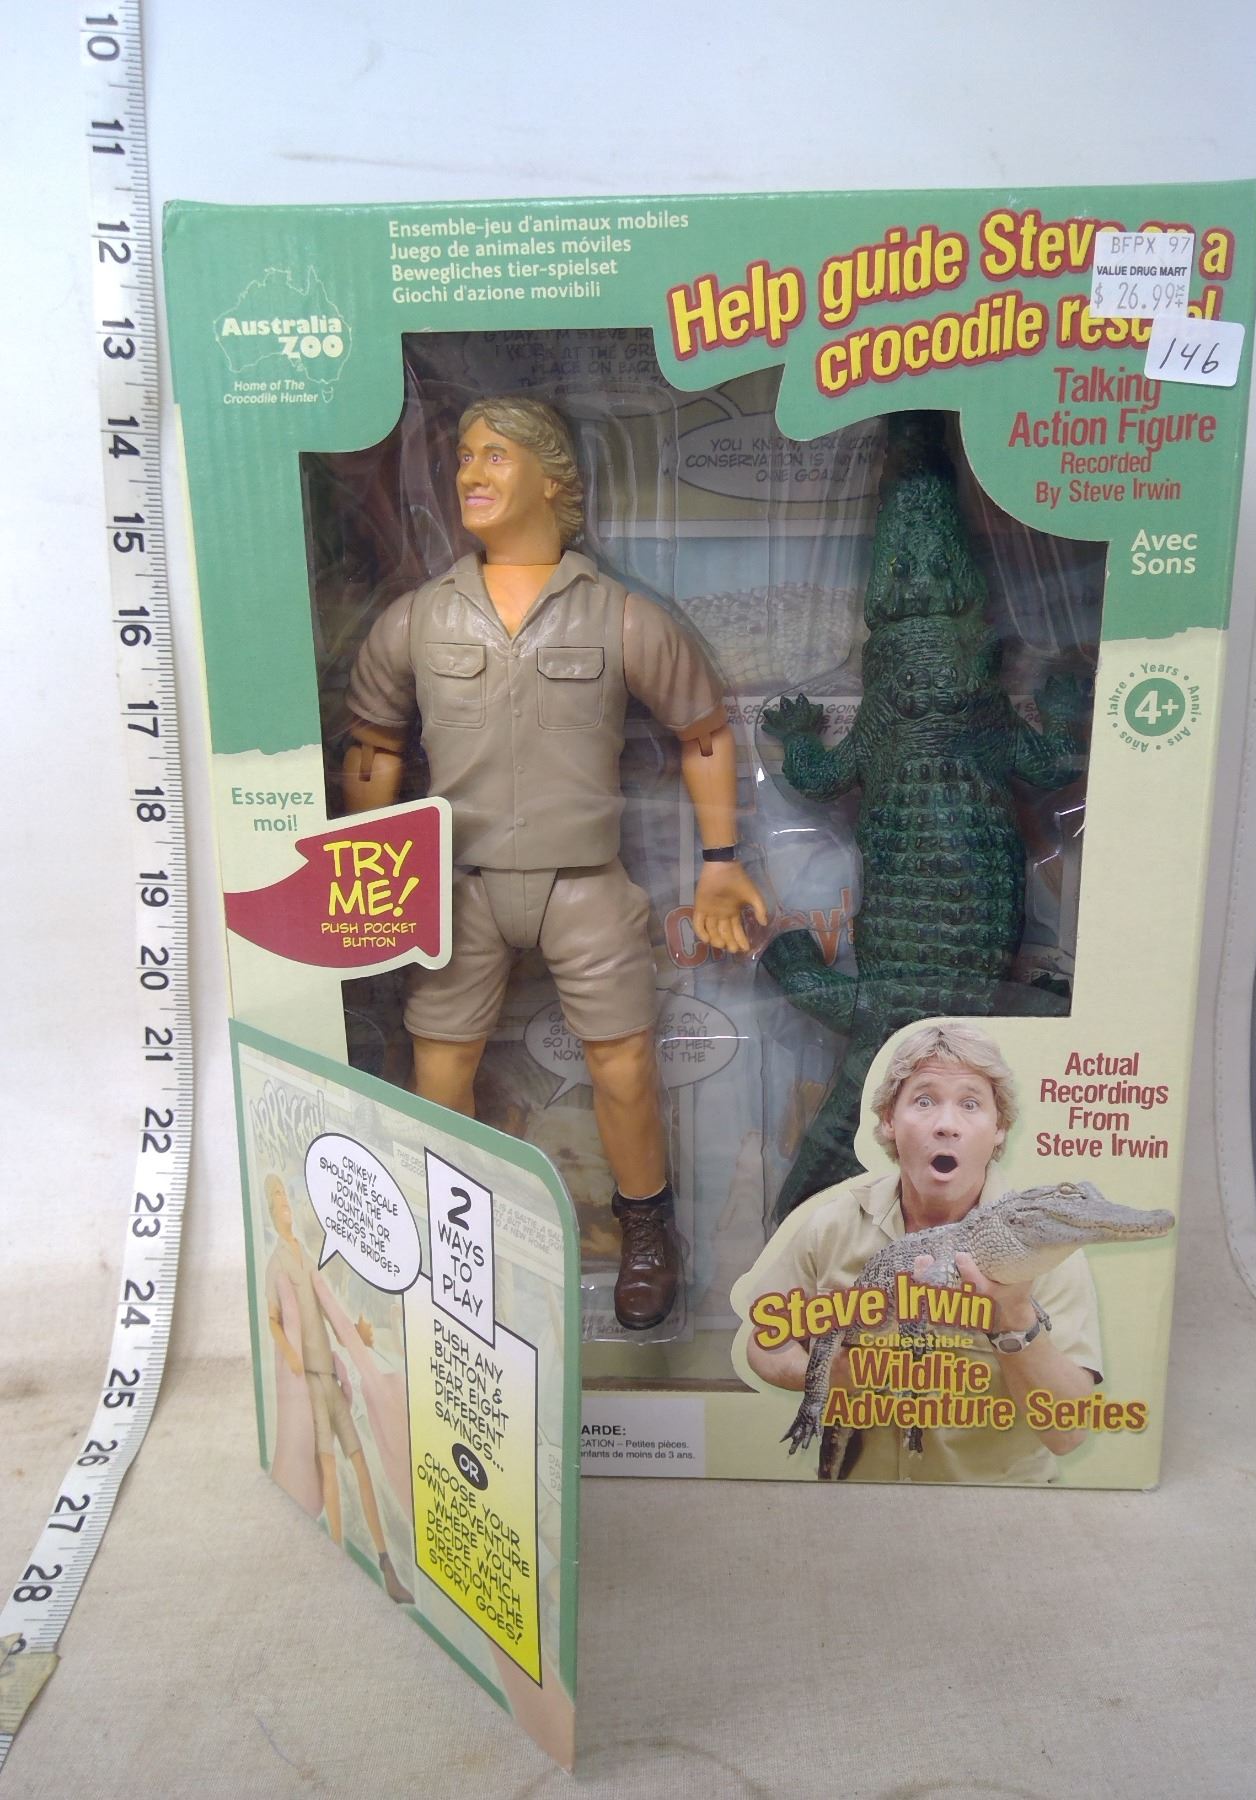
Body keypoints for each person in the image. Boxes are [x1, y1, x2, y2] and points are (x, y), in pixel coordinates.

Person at [342, 396, 766, 1329]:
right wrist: (371, 876)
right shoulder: (421, 620)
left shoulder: (619, 617)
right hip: (458, 887)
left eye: (495, 456)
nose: (470, 473)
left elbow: (701, 732)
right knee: (440, 1064)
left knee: (624, 1064)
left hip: (584, 883)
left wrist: (720, 861)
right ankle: (447, 1236)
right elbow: (374, 745)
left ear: (552, 478)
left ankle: (647, 1229)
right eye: (463, 456)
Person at [741, 1021, 1103, 1482]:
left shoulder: (1045, 1247)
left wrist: (1015, 1316)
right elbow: (764, 1342)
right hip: (855, 1498)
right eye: (924, 1101)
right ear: (889, 1120)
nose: (946, 1125)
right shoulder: (831, 1225)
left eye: (970, 1103)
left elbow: (1068, 1434)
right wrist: (840, 1374)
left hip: (998, 1504)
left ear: (999, 1128)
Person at [263, 1174, 414, 1599]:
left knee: (359, 1463)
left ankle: (385, 1565)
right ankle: (336, 1553)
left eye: (285, 1195)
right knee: (329, 1467)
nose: (285, 1202)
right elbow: (272, 1319)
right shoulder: (277, 1264)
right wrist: (291, 1355)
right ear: (271, 1211)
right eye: (278, 1198)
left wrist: (355, 1339)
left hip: (329, 1378)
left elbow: (330, 1309)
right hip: (311, 1380)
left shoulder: (305, 1257)